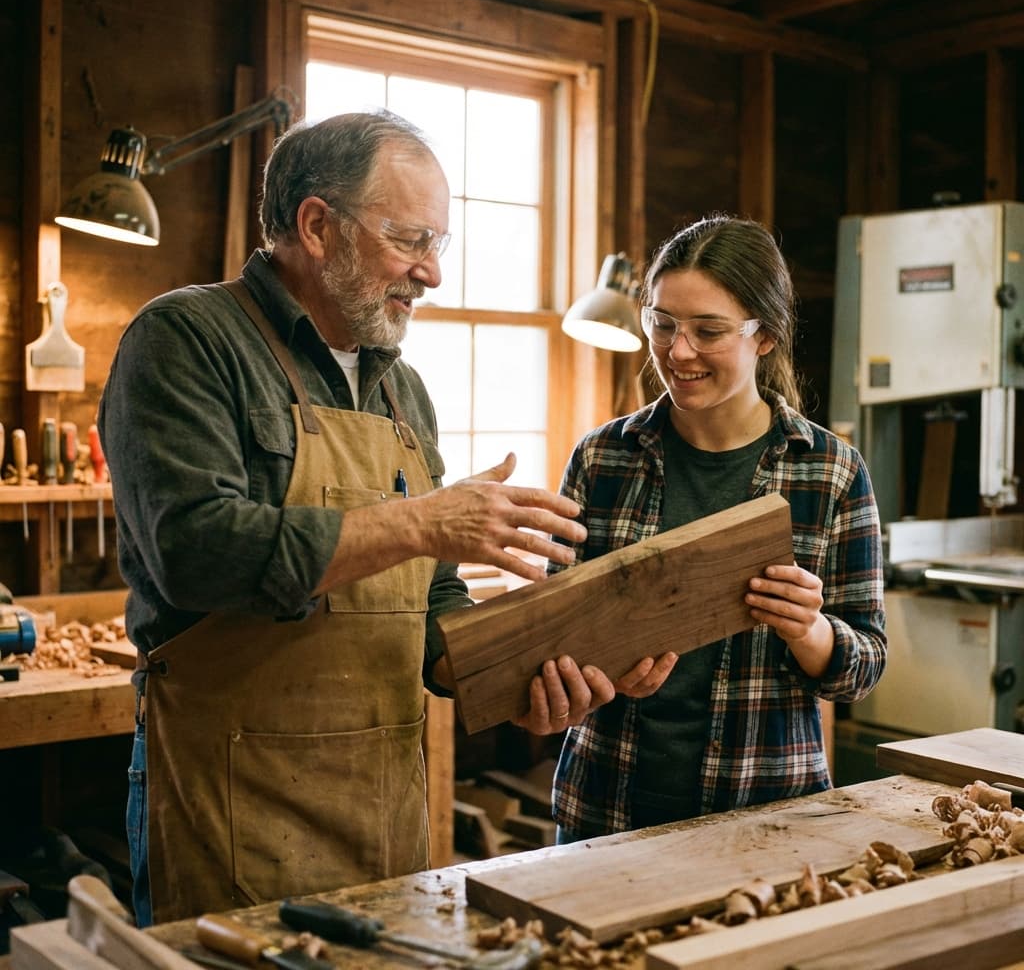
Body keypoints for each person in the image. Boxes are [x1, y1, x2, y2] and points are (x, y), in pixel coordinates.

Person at [98, 109, 620, 925]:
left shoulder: (402, 391)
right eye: (410, 240)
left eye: (438, 245)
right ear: (315, 225)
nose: (431, 274)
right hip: (229, 798)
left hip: (383, 806)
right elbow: (193, 551)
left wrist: (515, 682)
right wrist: (421, 523)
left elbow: (432, 612)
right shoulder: (186, 339)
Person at [546, 214, 887, 843]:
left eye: (708, 331)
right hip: (603, 807)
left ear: (765, 337)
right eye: (663, 324)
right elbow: (553, 638)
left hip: (769, 818)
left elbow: (864, 666)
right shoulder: (602, 459)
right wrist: (597, 673)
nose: (678, 352)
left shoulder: (829, 471)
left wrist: (810, 631)